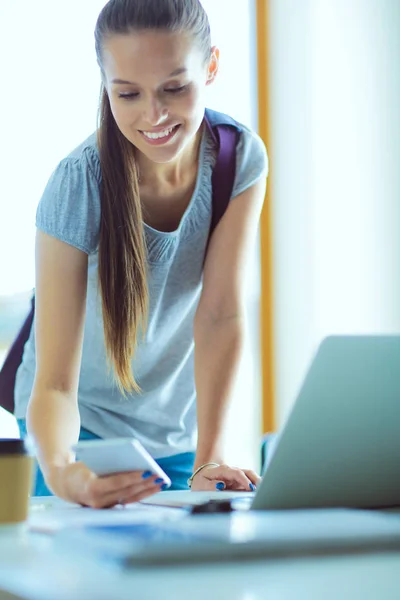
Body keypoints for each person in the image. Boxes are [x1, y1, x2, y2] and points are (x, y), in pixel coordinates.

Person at [14, 0, 268, 508]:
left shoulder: (237, 157)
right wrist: (65, 472)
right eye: (126, 94)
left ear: (212, 66)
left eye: (175, 88)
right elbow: (56, 382)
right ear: (105, 85)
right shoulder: (78, 183)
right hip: (74, 440)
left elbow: (220, 315)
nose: (153, 116)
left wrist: (209, 457)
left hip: (174, 437)